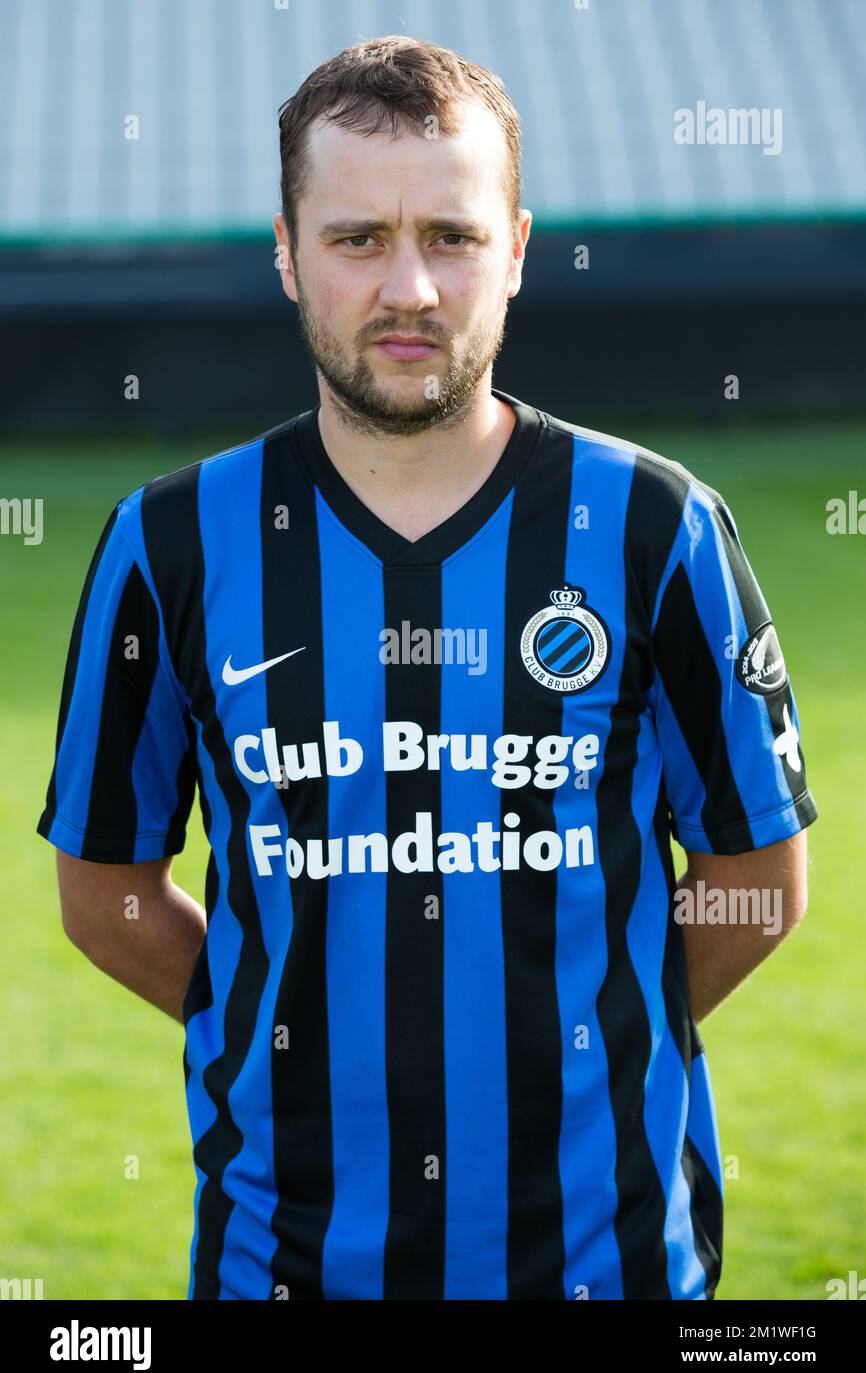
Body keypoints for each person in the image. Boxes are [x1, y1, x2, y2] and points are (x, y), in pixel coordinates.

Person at [37, 35, 817, 1301]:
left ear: (514, 248)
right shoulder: (166, 544)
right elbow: (105, 893)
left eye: (449, 237)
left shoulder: (654, 529)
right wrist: (287, 1034)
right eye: (356, 239)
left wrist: (580, 1042)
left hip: (602, 1263)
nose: (408, 287)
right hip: (279, 1266)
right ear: (287, 254)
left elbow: (757, 882)